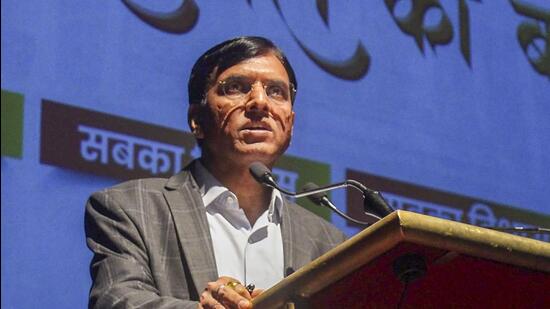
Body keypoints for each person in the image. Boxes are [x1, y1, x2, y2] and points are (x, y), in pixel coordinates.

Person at [85, 36, 346, 309]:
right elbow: (115, 300)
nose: (260, 102)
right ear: (196, 120)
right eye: (235, 87)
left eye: (276, 92)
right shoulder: (131, 208)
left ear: (290, 123)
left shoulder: (327, 243)